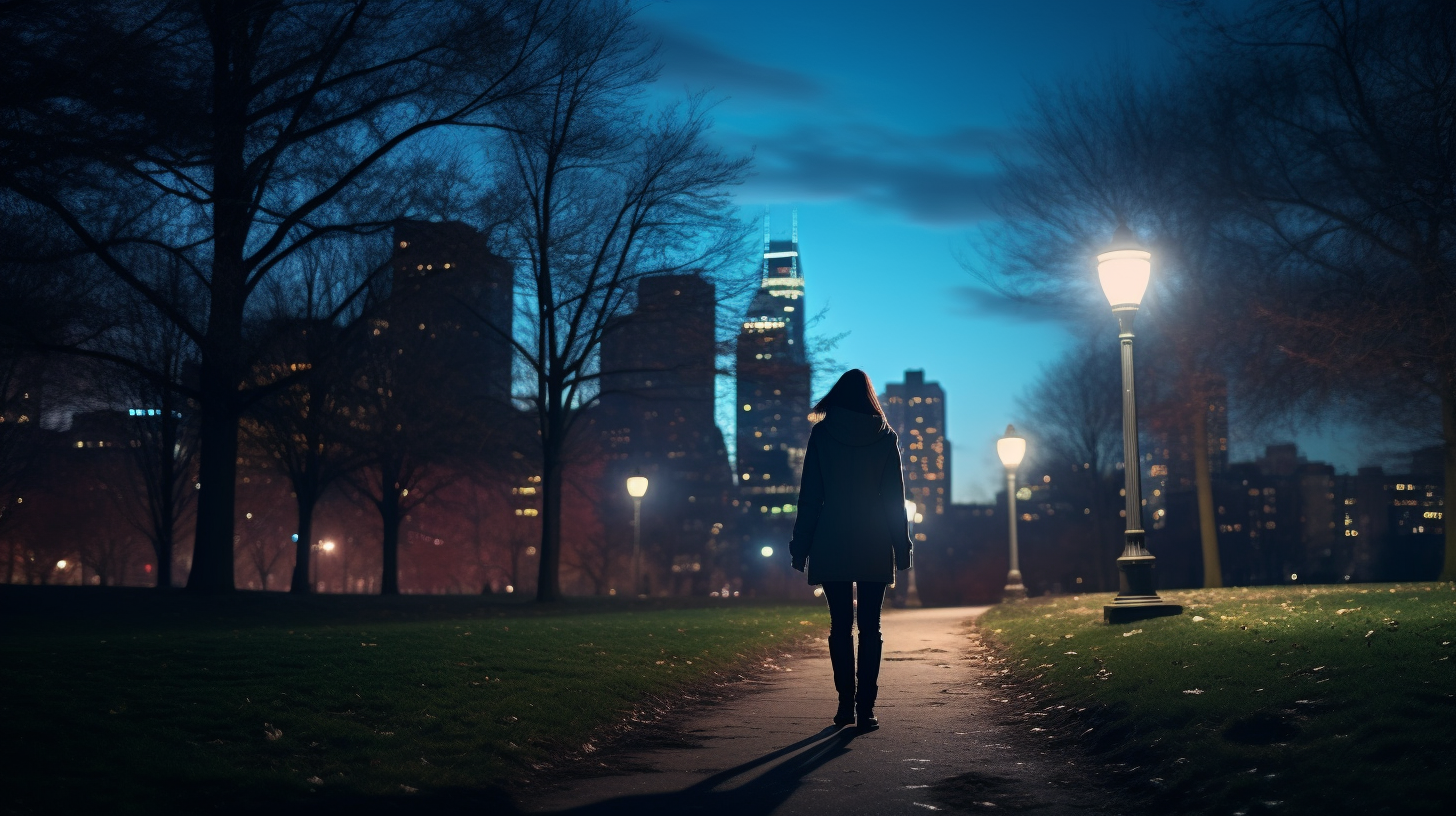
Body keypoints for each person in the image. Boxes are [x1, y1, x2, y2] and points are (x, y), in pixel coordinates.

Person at [789, 369, 911, 730]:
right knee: (870, 627)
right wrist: (901, 547)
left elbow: (810, 497)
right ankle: (866, 710)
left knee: (839, 626)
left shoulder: (822, 435)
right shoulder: (885, 437)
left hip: (831, 538)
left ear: (837, 398)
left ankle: (845, 706)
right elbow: (894, 499)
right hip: (874, 539)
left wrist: (801, 546)